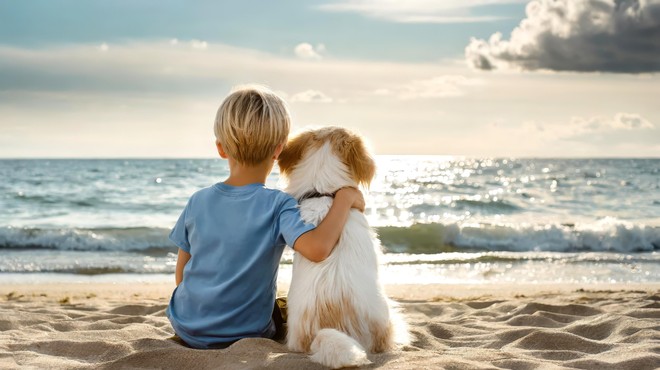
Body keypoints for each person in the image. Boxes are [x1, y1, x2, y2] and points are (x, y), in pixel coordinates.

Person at [166, 85, 364, 349]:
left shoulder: (198, 201)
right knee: (282, 308)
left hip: (188, 325)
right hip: (247, 332)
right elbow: (318, 249)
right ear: (278, 151)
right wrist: (345, 198)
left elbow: (182, 273)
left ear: (221, 149)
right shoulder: (278, 204)